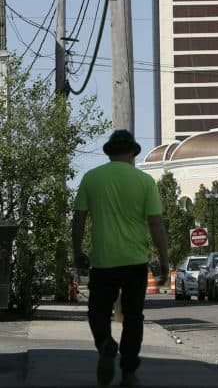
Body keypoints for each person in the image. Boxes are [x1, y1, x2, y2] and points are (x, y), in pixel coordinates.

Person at [71, 129, 169, 387]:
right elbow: (156, 224)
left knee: (97, 312)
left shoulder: (91, 178)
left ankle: (104, 343)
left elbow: (79, 219)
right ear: (132, 153)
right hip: (135, 261)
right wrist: (164, 260)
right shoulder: (145, 181)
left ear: (110, 152)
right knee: (134, 317)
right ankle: (128, 372)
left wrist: (77, 251)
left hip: (103, 260)